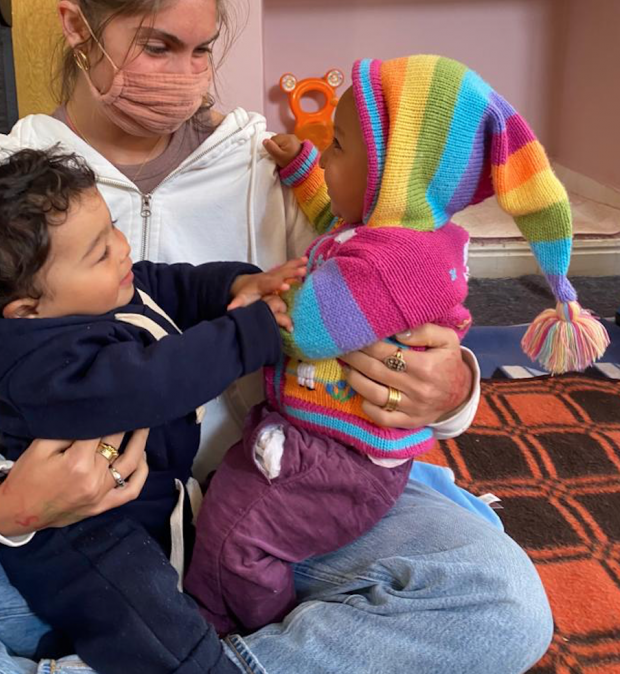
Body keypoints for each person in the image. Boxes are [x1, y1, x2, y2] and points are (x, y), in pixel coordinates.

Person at [0, 0, 553, 674]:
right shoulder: (6, 197)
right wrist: (0, 501)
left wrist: (451, 389)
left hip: (281, 493)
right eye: (158, 46)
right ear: (79, 29)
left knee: (498, 604)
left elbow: (409, 310)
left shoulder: (283, 169)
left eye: (202, 49)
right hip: (76, 527)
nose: (189, 82)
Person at [185, 52, 608, 634]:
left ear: (396, 173)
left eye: (336, 145)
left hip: (334, 459)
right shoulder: (393, 232)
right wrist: (307, 165)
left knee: (236, 537)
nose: (327, 154)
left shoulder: (398, 260)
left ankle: (236, 634)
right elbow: (335, 215)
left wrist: (259, 303)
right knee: (232, 511)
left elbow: (310, 331)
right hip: (331, 445)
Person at [0, 147, 307, 674]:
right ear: (28, 311)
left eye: (113, 228)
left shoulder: (105, 293)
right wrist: (252, 336)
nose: (122, 248)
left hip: (155, 500)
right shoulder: (44, 366)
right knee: (150, 618)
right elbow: (152, 382)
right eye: (98, 253)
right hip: (81, 534)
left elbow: (171, 285)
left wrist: (234, 286)